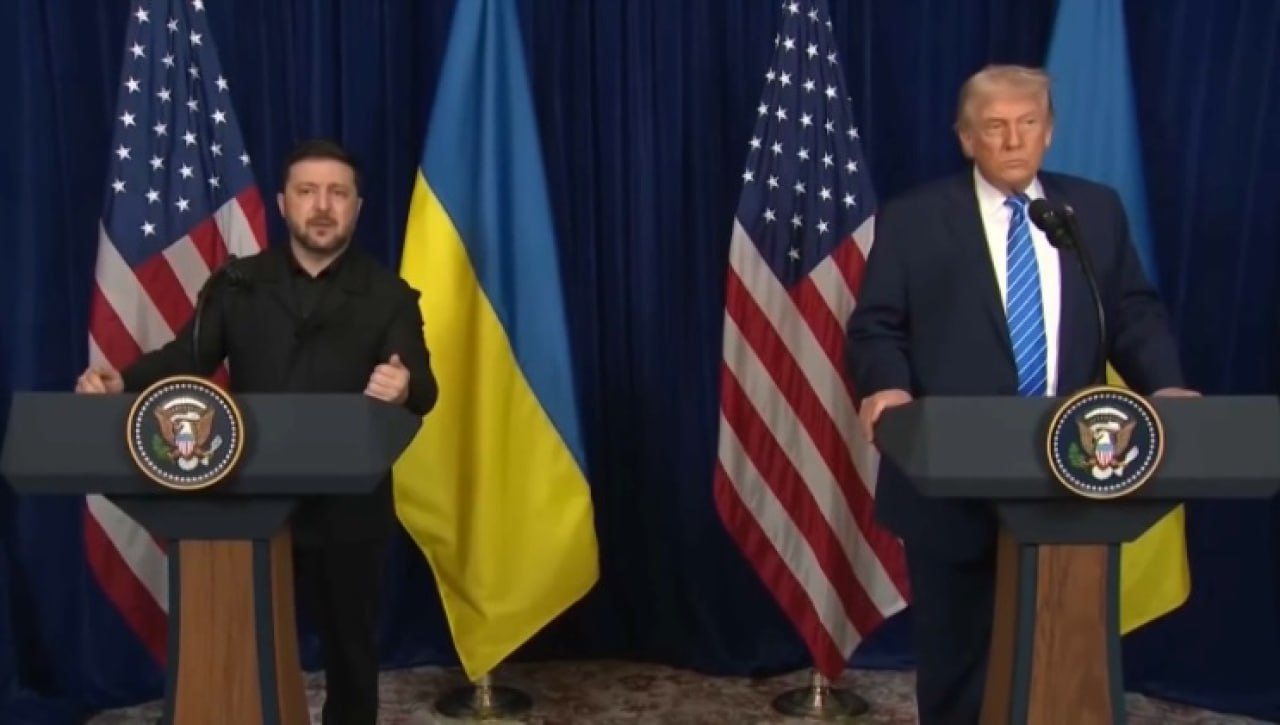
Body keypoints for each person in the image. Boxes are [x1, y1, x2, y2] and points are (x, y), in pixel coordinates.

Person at [846, 65, 1197, 724]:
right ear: (966, 138)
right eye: (995, 127)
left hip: (1072, 470)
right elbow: (877, 325)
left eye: (1028, 123)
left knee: (1061, 653)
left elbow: (1132, 313)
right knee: (961, 661)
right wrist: (887, 387)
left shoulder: (1092, 210)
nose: (1013, 140)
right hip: (953, 475)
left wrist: (1167, 385)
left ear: (1049, 131)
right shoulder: (916, 217)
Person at [75, 138, 438, 725]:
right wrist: (123, 381)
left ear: (357, 207)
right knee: (246, 641)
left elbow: (423, 384)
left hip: (350, 508)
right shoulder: (237, 284)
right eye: (307, 191)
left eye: (337, 193)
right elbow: (187, 359)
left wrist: (403, 387)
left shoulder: (388, 295)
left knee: (350, 649)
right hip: (250, 499)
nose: (322, 206)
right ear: (283, 202)